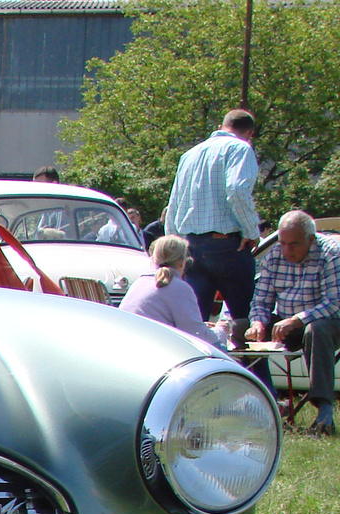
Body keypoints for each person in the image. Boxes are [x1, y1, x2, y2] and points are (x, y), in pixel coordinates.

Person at [163, 109, 260, 324]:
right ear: (250, 133)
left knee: (193, 323)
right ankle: (249, 358)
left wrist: (175, 247)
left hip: (191, 247)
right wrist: (251, 231)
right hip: (227, 244)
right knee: (246, 321)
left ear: (220, 127)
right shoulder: (240, 148)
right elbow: (236, 190)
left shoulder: (189, 155)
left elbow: (174, 204)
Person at [248, 210, 340, 435]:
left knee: (315, 330)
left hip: (326, 322)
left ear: (311, 239)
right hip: (287, 321)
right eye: (283, 243)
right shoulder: (274, 255)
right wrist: (258, 323)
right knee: (240, 328)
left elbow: (335, 303)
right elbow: (260, 299)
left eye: (294, 244)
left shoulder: (331, 254)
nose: (286, 250)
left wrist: (297, 320)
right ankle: (260, 401)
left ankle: (324, 412)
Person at [119, 234, 230, 348]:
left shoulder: (139, 282)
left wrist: (202, 326)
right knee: (217, 347)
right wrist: (220, 330)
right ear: (182, 262)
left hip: (128, 346)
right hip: (153, 350)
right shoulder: (179, 287)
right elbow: (197, 336)